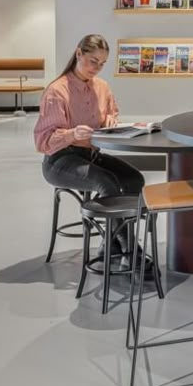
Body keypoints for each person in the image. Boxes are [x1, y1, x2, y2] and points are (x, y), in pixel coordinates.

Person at [34, 34, 148, 271]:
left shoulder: (102, 87)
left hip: (89, 155)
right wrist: (71, 134)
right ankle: (130, 250)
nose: (97, 68)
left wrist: (110, 122)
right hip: (60, 160)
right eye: (93, 61)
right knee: (107, 182)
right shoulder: (57, 91)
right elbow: (43, 142)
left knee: (134, 178)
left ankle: (109, 244)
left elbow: (110, 115)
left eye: (102, 63)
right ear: (78, 54)